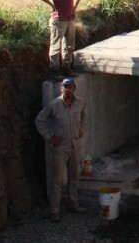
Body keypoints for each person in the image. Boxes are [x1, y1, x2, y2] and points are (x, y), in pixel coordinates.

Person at [34, 77, 88, 222]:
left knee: (74, 177)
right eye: (66, 87)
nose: (68, 90)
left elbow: (84, 116)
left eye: (71, 87)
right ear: (61, 88)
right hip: (60, 148)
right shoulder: (54, 105)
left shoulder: (80, 103)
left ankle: (73, 204)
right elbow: (40, 120)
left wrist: (81, 129)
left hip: (74, 145)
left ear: (74, 88)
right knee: (57, 181)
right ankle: (54, 211)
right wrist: (49, 137)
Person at [39, 0, 83, 77]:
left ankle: (66, 68)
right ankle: (54, 71)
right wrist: (52, 5)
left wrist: (75, 7)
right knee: (55, 46)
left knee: (69, 46)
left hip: (70, 19)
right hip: (58, 20)